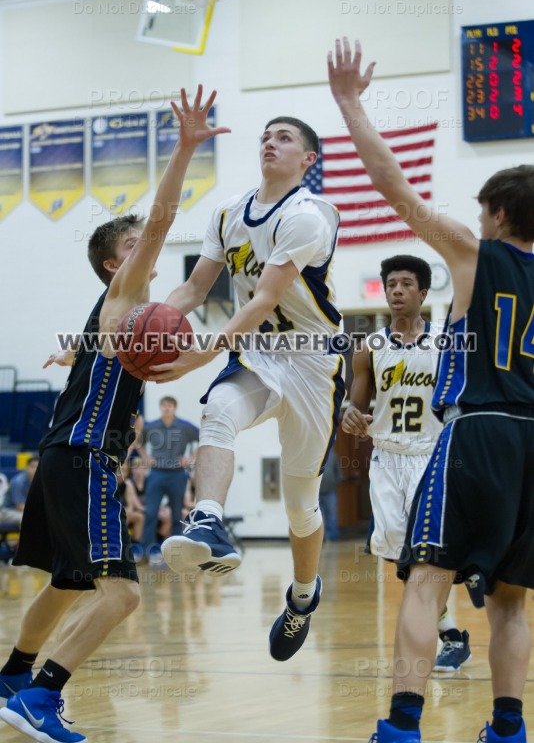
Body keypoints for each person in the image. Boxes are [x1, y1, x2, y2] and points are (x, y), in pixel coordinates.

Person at [0, 86, 229, 743]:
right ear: (113, 263)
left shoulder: (141, 317)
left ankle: (14, 676)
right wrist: (184, 149)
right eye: (134, 246)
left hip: (64, 455)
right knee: (123, 593)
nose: (149, 251)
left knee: (70, 582)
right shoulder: (121, 295)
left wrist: (236, 235)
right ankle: (41, 699)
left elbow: (195, 287)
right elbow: (159, 226)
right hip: (83, 457)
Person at [329, 37, 534, 743]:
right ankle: (508, 730)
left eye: (482, 213)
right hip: (533, 444)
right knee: (512, 601)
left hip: (476, 431)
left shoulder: (482, 255)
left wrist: (350, 102)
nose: (477, 223)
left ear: (500, 215)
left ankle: (402, 726)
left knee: (425, 581)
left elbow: (395, 191)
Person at [151, 115, 345, 662]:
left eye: (285, 137)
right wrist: (141, 326)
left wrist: (200, 354)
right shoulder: (228, 213)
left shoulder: (308, 216)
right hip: (256, 353)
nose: (270, 141)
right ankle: (208, 520)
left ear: (309, 159)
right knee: (217, 409)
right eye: (266, 134)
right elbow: (193, 288)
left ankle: (303, 597)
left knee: (300, 505)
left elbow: (262, 301)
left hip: (310, 364)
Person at [342, 255, 471, 672]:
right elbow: (355, 405)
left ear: (423, 293)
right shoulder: (369, 348)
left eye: (405, 284)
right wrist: (347, 413)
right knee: (400, 551)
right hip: (386, 457)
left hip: (430, 457)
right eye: (391, 284)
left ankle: (448, 635)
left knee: (425, 554)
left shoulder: (444, 344)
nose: (396, 290)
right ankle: (450, 631)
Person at [137, 396, 199, 561]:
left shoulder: (184, 426)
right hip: (157, 473)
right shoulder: (151, 426)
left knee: (177, 514)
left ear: (174, 408)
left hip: (177, 473)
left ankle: (176, 553)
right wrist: (145, 457)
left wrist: (191, 457)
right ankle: (146, 552)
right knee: (150, 513)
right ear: (160, 407)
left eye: (169, 405)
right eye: (164, 405)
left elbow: (204, 437)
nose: (166, 408)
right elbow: (138, 441)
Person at [0, 456, 39, 527]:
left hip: (22, 511)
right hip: (7, 511)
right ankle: (26, 538)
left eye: (37, 467)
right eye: (32, 467)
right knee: (26, 519)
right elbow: (20, 506)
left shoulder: (38, 482)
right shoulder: (18, 481)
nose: (35, 470)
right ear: (26, 467)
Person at [318, 448, 343, 542]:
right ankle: (323, 538)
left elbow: (339, 474)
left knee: (332, 515)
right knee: (319, 517)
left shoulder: (332, 455)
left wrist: (334, 484)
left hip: (330, 492)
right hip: (316, 493)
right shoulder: (314, 455)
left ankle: (333, 537)